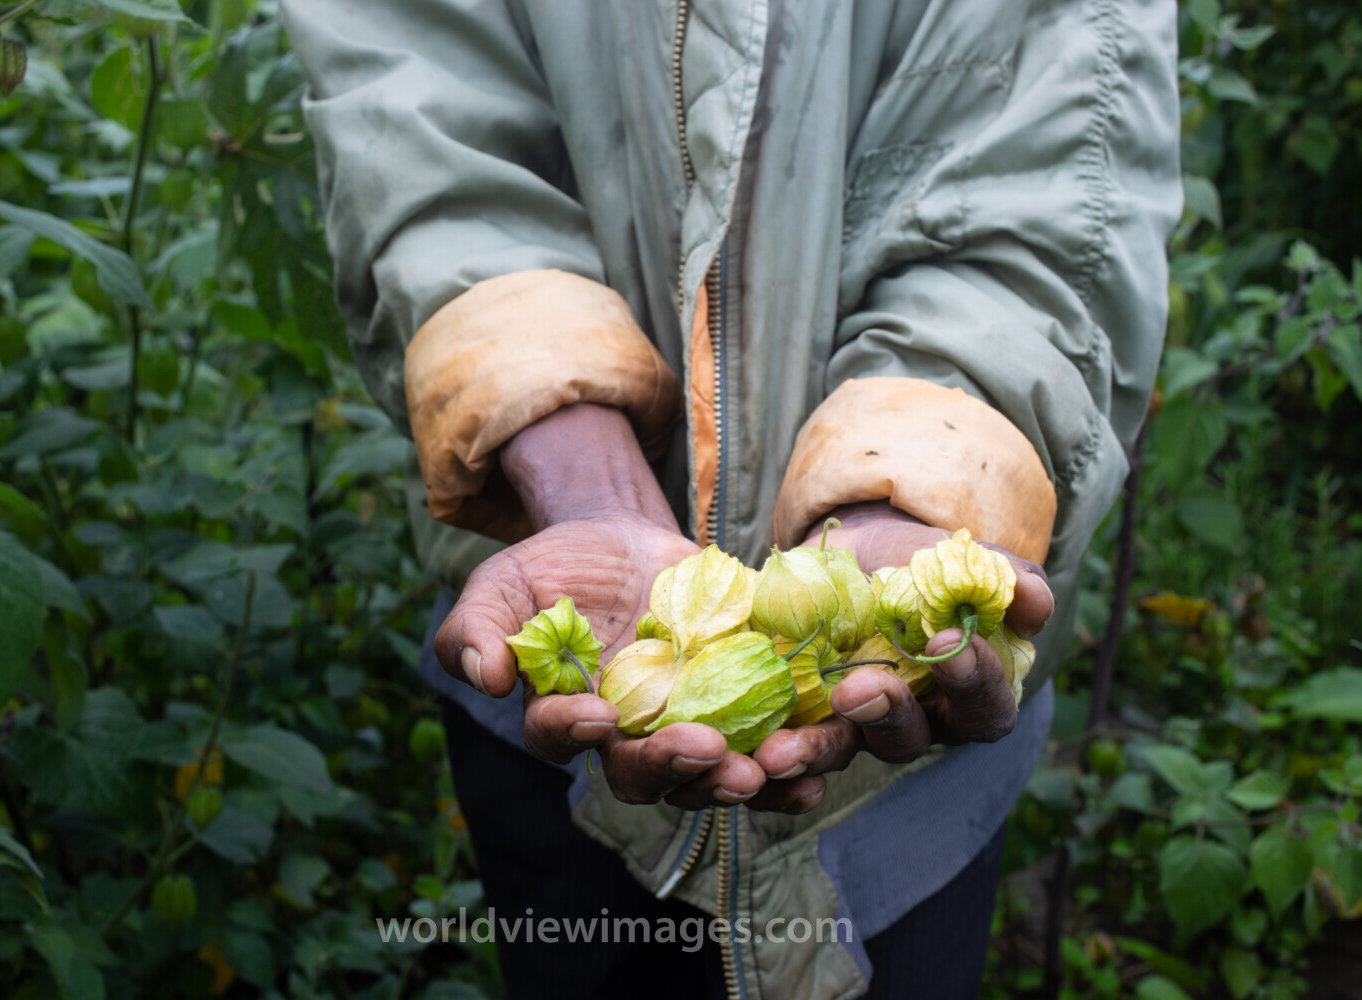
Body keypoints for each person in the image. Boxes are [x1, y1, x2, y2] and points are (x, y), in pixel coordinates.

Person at [280, 1, 1182, 996]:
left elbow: (1049, 185)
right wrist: (577, 471)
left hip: (898, 801)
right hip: (546, 707)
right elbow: (415, 122)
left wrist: (918, 494)